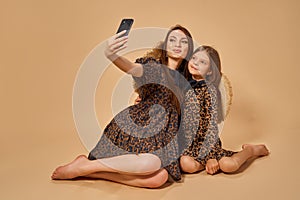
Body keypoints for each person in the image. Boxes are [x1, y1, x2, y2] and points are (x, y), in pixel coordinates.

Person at [51, 25, 194, 188]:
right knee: (152, 163)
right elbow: (134, 69)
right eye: (172, 40)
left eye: (184, 42)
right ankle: (88, 166)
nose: (177, 45)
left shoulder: (186, 80)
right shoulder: (155, 67)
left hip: (163, 135)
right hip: (140, 124)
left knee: (159, 178)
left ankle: (87, 169)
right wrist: (112, 55)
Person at [179, 45, 270, 175]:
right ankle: (205, 165)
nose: (195, 63)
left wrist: (210, 156)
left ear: (210, 71)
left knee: (228, 166)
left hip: (206, 143)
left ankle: (250, 150)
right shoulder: (184, 86)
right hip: (188, 146)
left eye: (202, 62)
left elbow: (211, 127)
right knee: (186, 165)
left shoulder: (210, 91)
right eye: (194, 58)